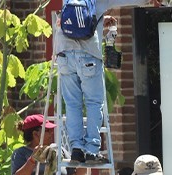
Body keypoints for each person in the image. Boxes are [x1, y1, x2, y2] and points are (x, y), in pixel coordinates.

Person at [56, 1, 148, 164]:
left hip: (64, 56)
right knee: (93, 102)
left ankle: (76, 149)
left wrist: (100, 18)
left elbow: (72, 21)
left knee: (72, 104)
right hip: (88, 57)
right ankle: (92, 150)